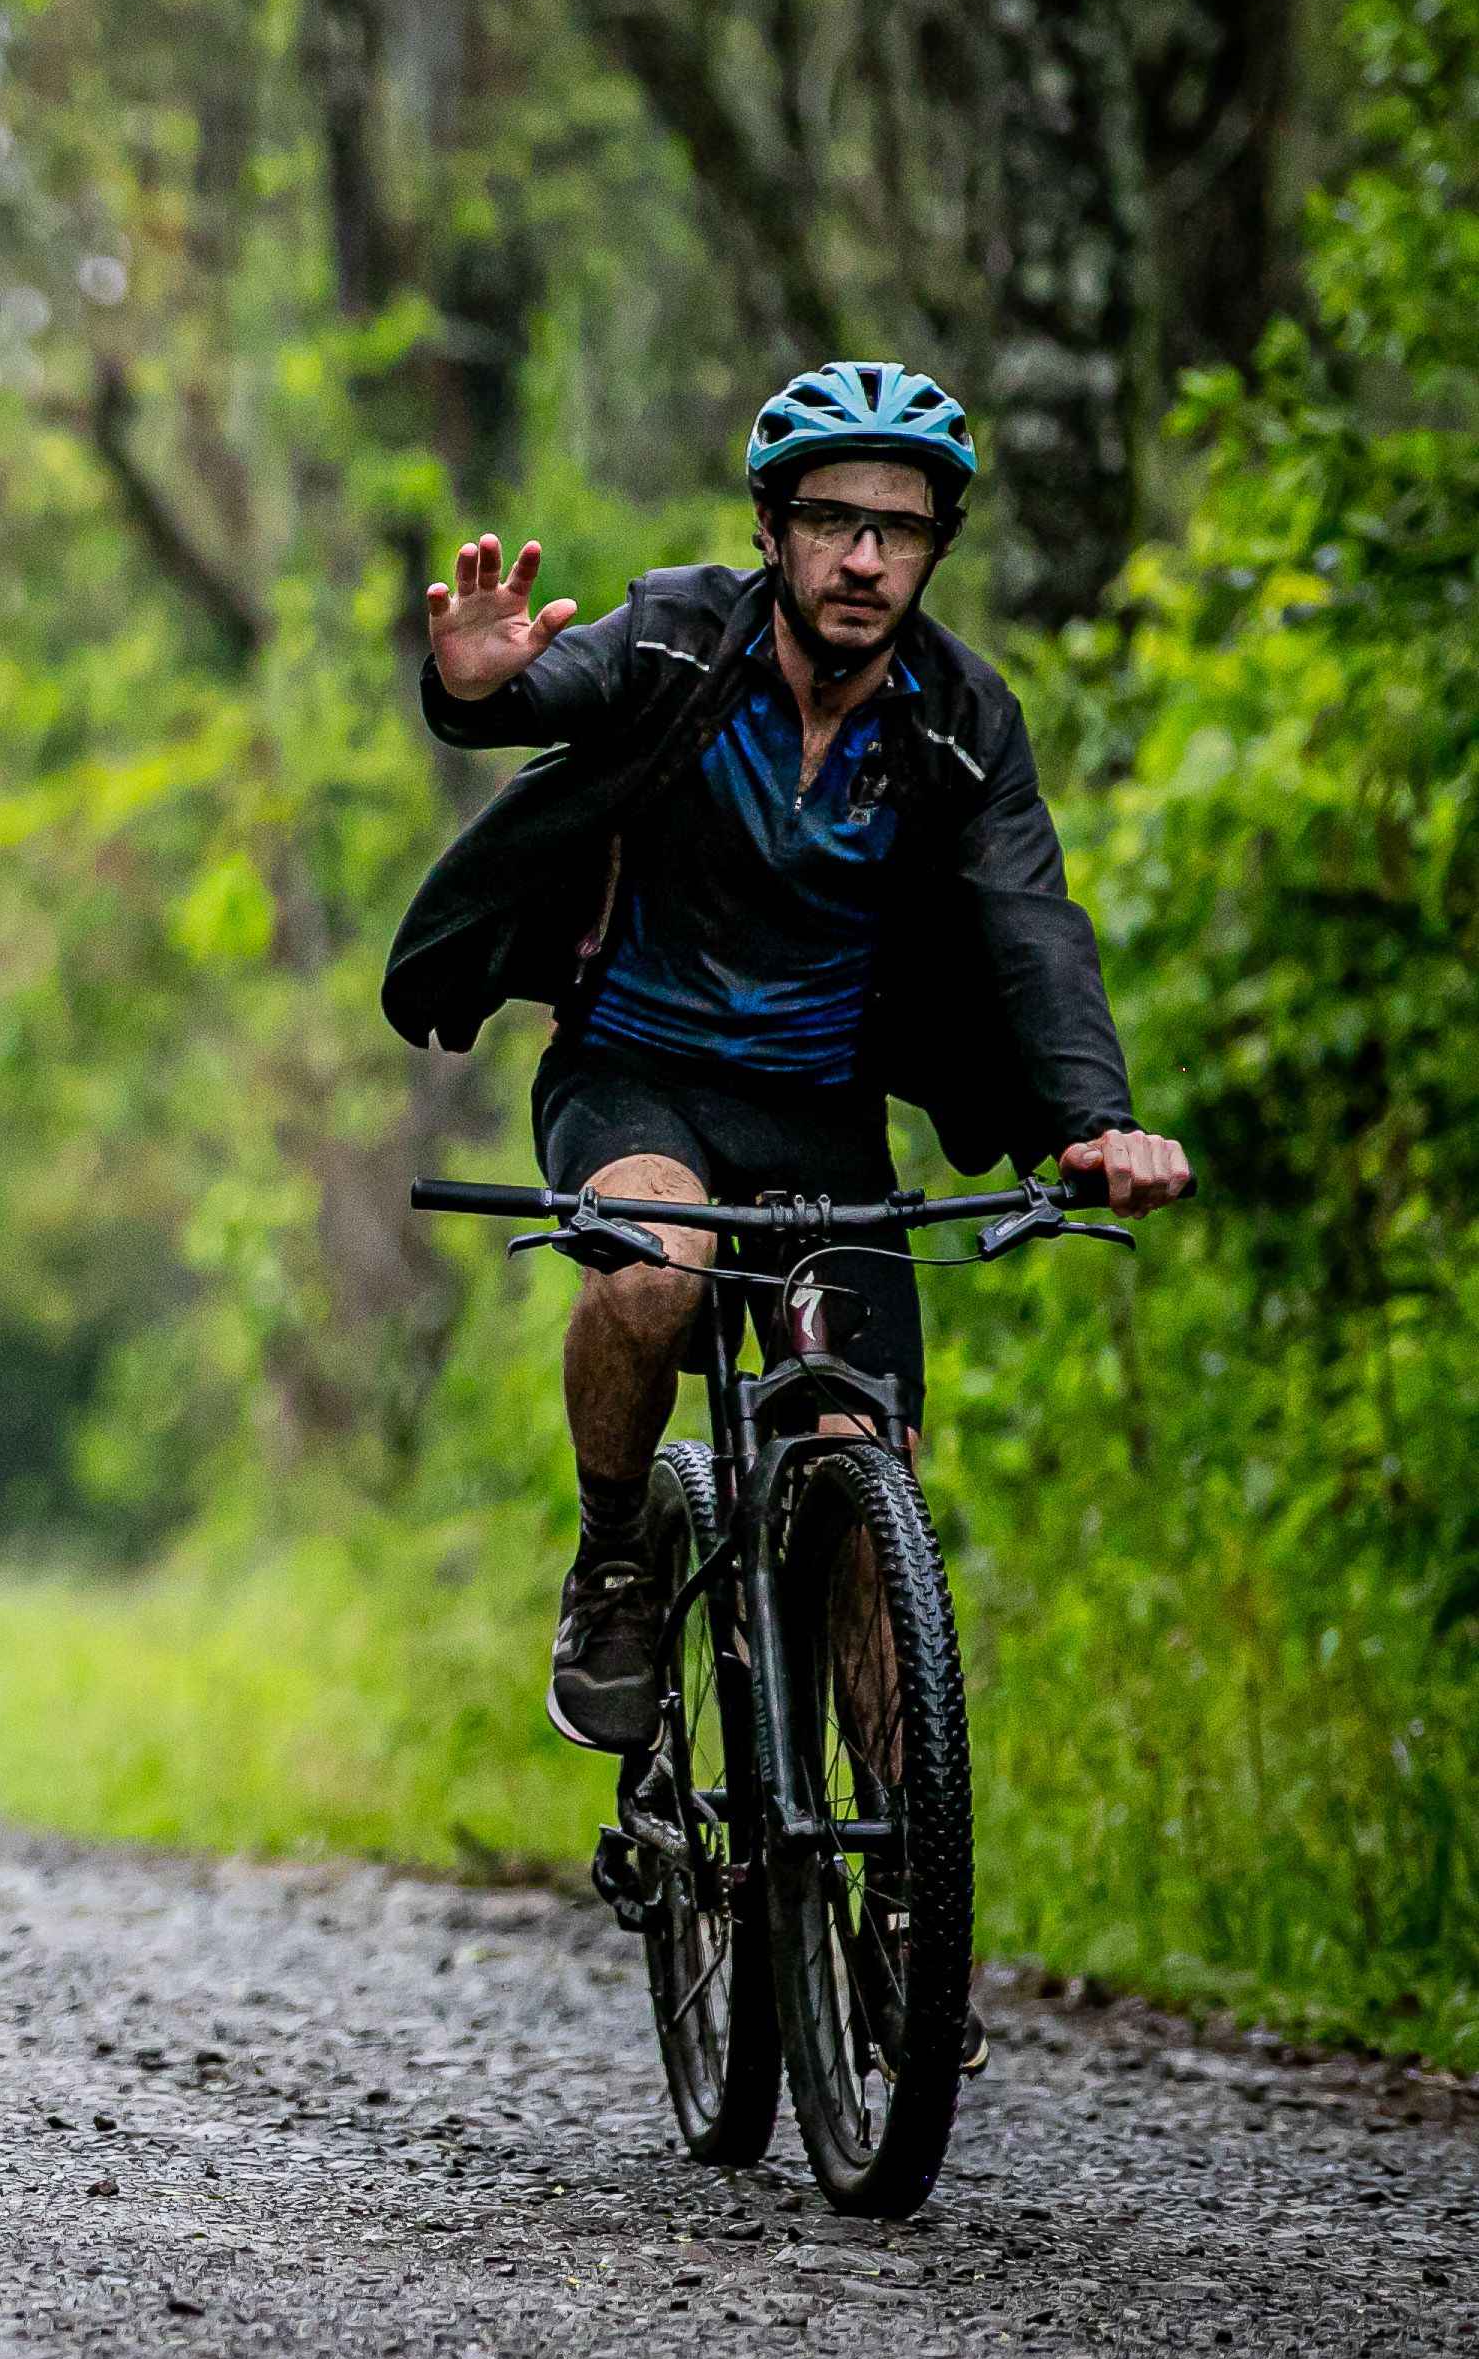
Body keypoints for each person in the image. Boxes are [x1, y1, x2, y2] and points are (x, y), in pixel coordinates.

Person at [385, 362, 1193, 1754]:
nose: (864, 559)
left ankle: (899, 1863)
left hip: (822, 1118)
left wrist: (1095, 1118)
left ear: (936, 547)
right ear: (770, 527)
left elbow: (1031, 925)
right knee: (656, 1267)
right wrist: (473, 691)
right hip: (634, 1078)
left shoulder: (962, 721)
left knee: (866, 1471)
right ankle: (615, 1557)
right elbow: (544, 685)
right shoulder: (680, 639)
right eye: (830, 520)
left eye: (901, 528)